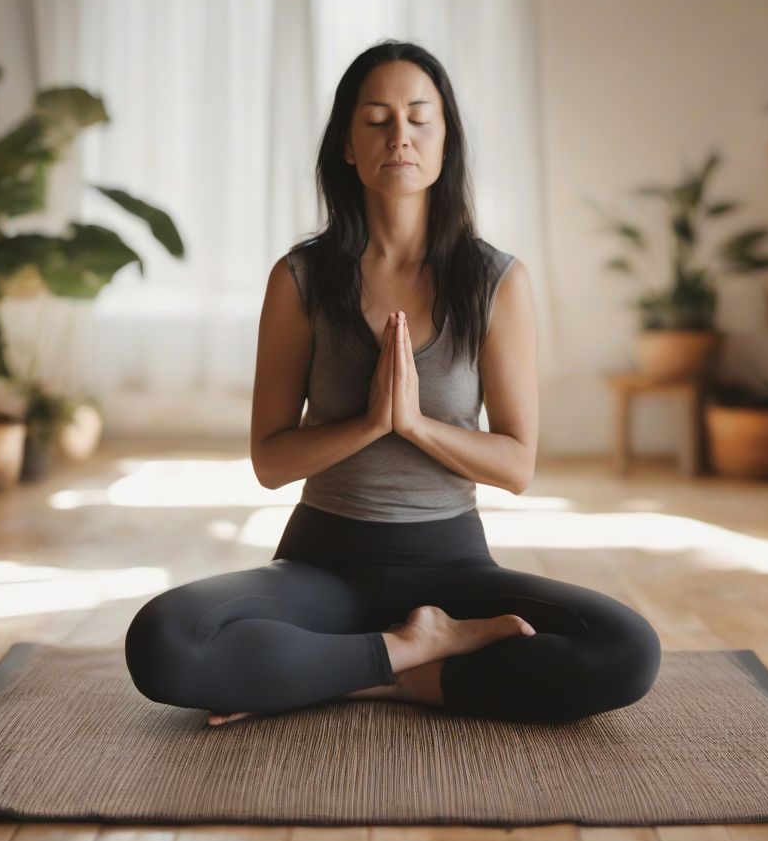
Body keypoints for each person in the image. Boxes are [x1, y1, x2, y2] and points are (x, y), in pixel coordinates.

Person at [124, 40, 662, 728]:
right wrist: (369, 424)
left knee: (627, 651)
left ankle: (368, 675)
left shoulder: (495, 282)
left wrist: (413, 423)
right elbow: (270, 461)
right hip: (320, 567)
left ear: (445, 141)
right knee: (163, 641)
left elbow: (517, 464)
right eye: (376, 119)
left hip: (454, 569)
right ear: (348, 145)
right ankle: (413, 655)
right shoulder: (301, 280)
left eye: (418, 118)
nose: (399, 136)